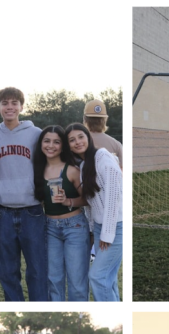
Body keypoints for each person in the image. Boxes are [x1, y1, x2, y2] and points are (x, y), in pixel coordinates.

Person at [0, 87, 46, 301]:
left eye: (14, 103)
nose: (9, 107)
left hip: (32, 211)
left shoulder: (35, 133)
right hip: (3, 212)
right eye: (5, 103)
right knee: (7, 272)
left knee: (37, 270)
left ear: (21, 106)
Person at [66, 123, 122, 301]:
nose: (77, 142)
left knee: (97, 277)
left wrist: (107, 233)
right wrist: (93, 231)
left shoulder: (104, 158)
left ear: (88, 137)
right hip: (99, 228)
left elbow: (114, 198)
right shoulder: (84, 165)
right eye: (72, 140)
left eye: (81, 137)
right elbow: (91, 203)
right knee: (108, 279)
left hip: (115, 228)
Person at [34, 125, 87, 301]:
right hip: (49, 228)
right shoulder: (37, 170)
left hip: (75, 226)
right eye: (47, 141)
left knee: (76, 281)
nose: (51, 145)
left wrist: (68, 201)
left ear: (63, 146)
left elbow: (87, 199)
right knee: (53, 279)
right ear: (41, 143)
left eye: (56, 142)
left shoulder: (71, 170)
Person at [84, 99, 123, 168]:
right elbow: (121, 171)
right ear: (105, 120)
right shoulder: (116, 144)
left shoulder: (77, 144)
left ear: (85, 119)